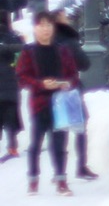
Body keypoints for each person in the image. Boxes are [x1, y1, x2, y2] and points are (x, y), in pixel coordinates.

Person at [15, 11, 82, 195]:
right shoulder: (29, 51)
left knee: (59, 143)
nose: (45, 29)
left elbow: (73, 75)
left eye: (49, 25)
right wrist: (40, 83)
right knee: (36, 143)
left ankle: (61, 179)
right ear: (35, 28)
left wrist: (66, 83)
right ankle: (33, 179)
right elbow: (22, 77)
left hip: (60, 103)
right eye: (42, 25)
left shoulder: (62, 50)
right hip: (39, 103)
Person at [50, 10, 97, 181]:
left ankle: (59, 171)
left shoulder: (48, 41)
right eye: (65, 17)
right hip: (70, 89)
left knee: (58, 131)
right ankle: (81, 167)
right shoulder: (69, 41)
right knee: (80, 127)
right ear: (60, 21)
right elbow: (84, 64)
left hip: (52, 90)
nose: (69, 19)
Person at [0, 29, 20, 163]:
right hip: (11, 87)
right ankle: (12, 147)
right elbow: (21, 47)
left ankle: (12, 147)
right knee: (10, 119)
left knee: (8, 118)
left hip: (8, 87)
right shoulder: (12, 37)